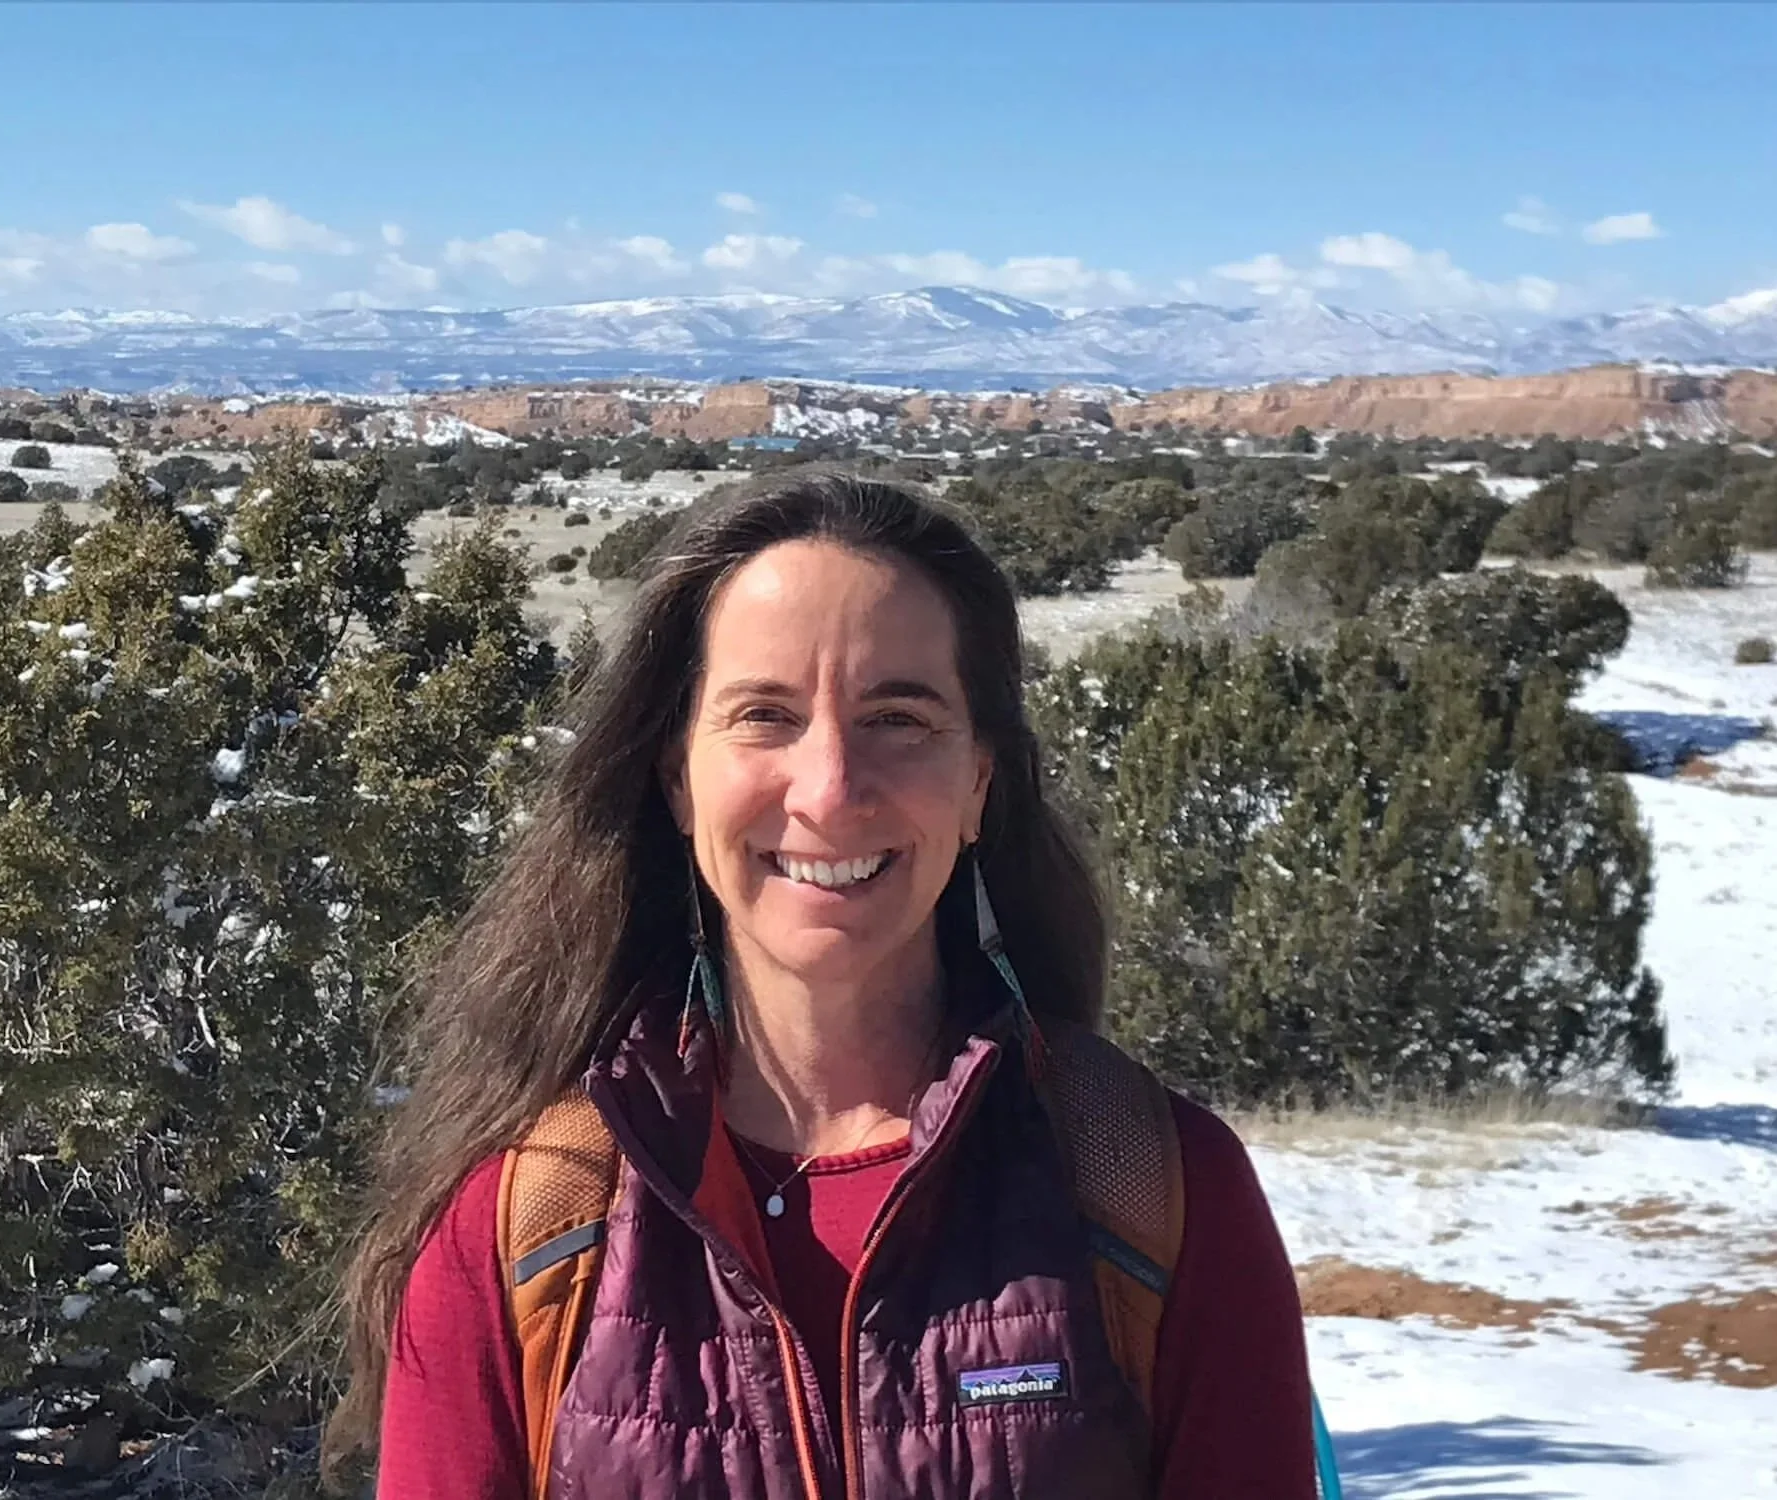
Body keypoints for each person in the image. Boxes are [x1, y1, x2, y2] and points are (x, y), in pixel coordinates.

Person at [326, 472, 1317, 1498]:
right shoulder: (528, 1227)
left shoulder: (1152, 1192)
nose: (832, 786)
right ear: (677, 779)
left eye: (899, 716)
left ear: (980, 779)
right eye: (765, 714)